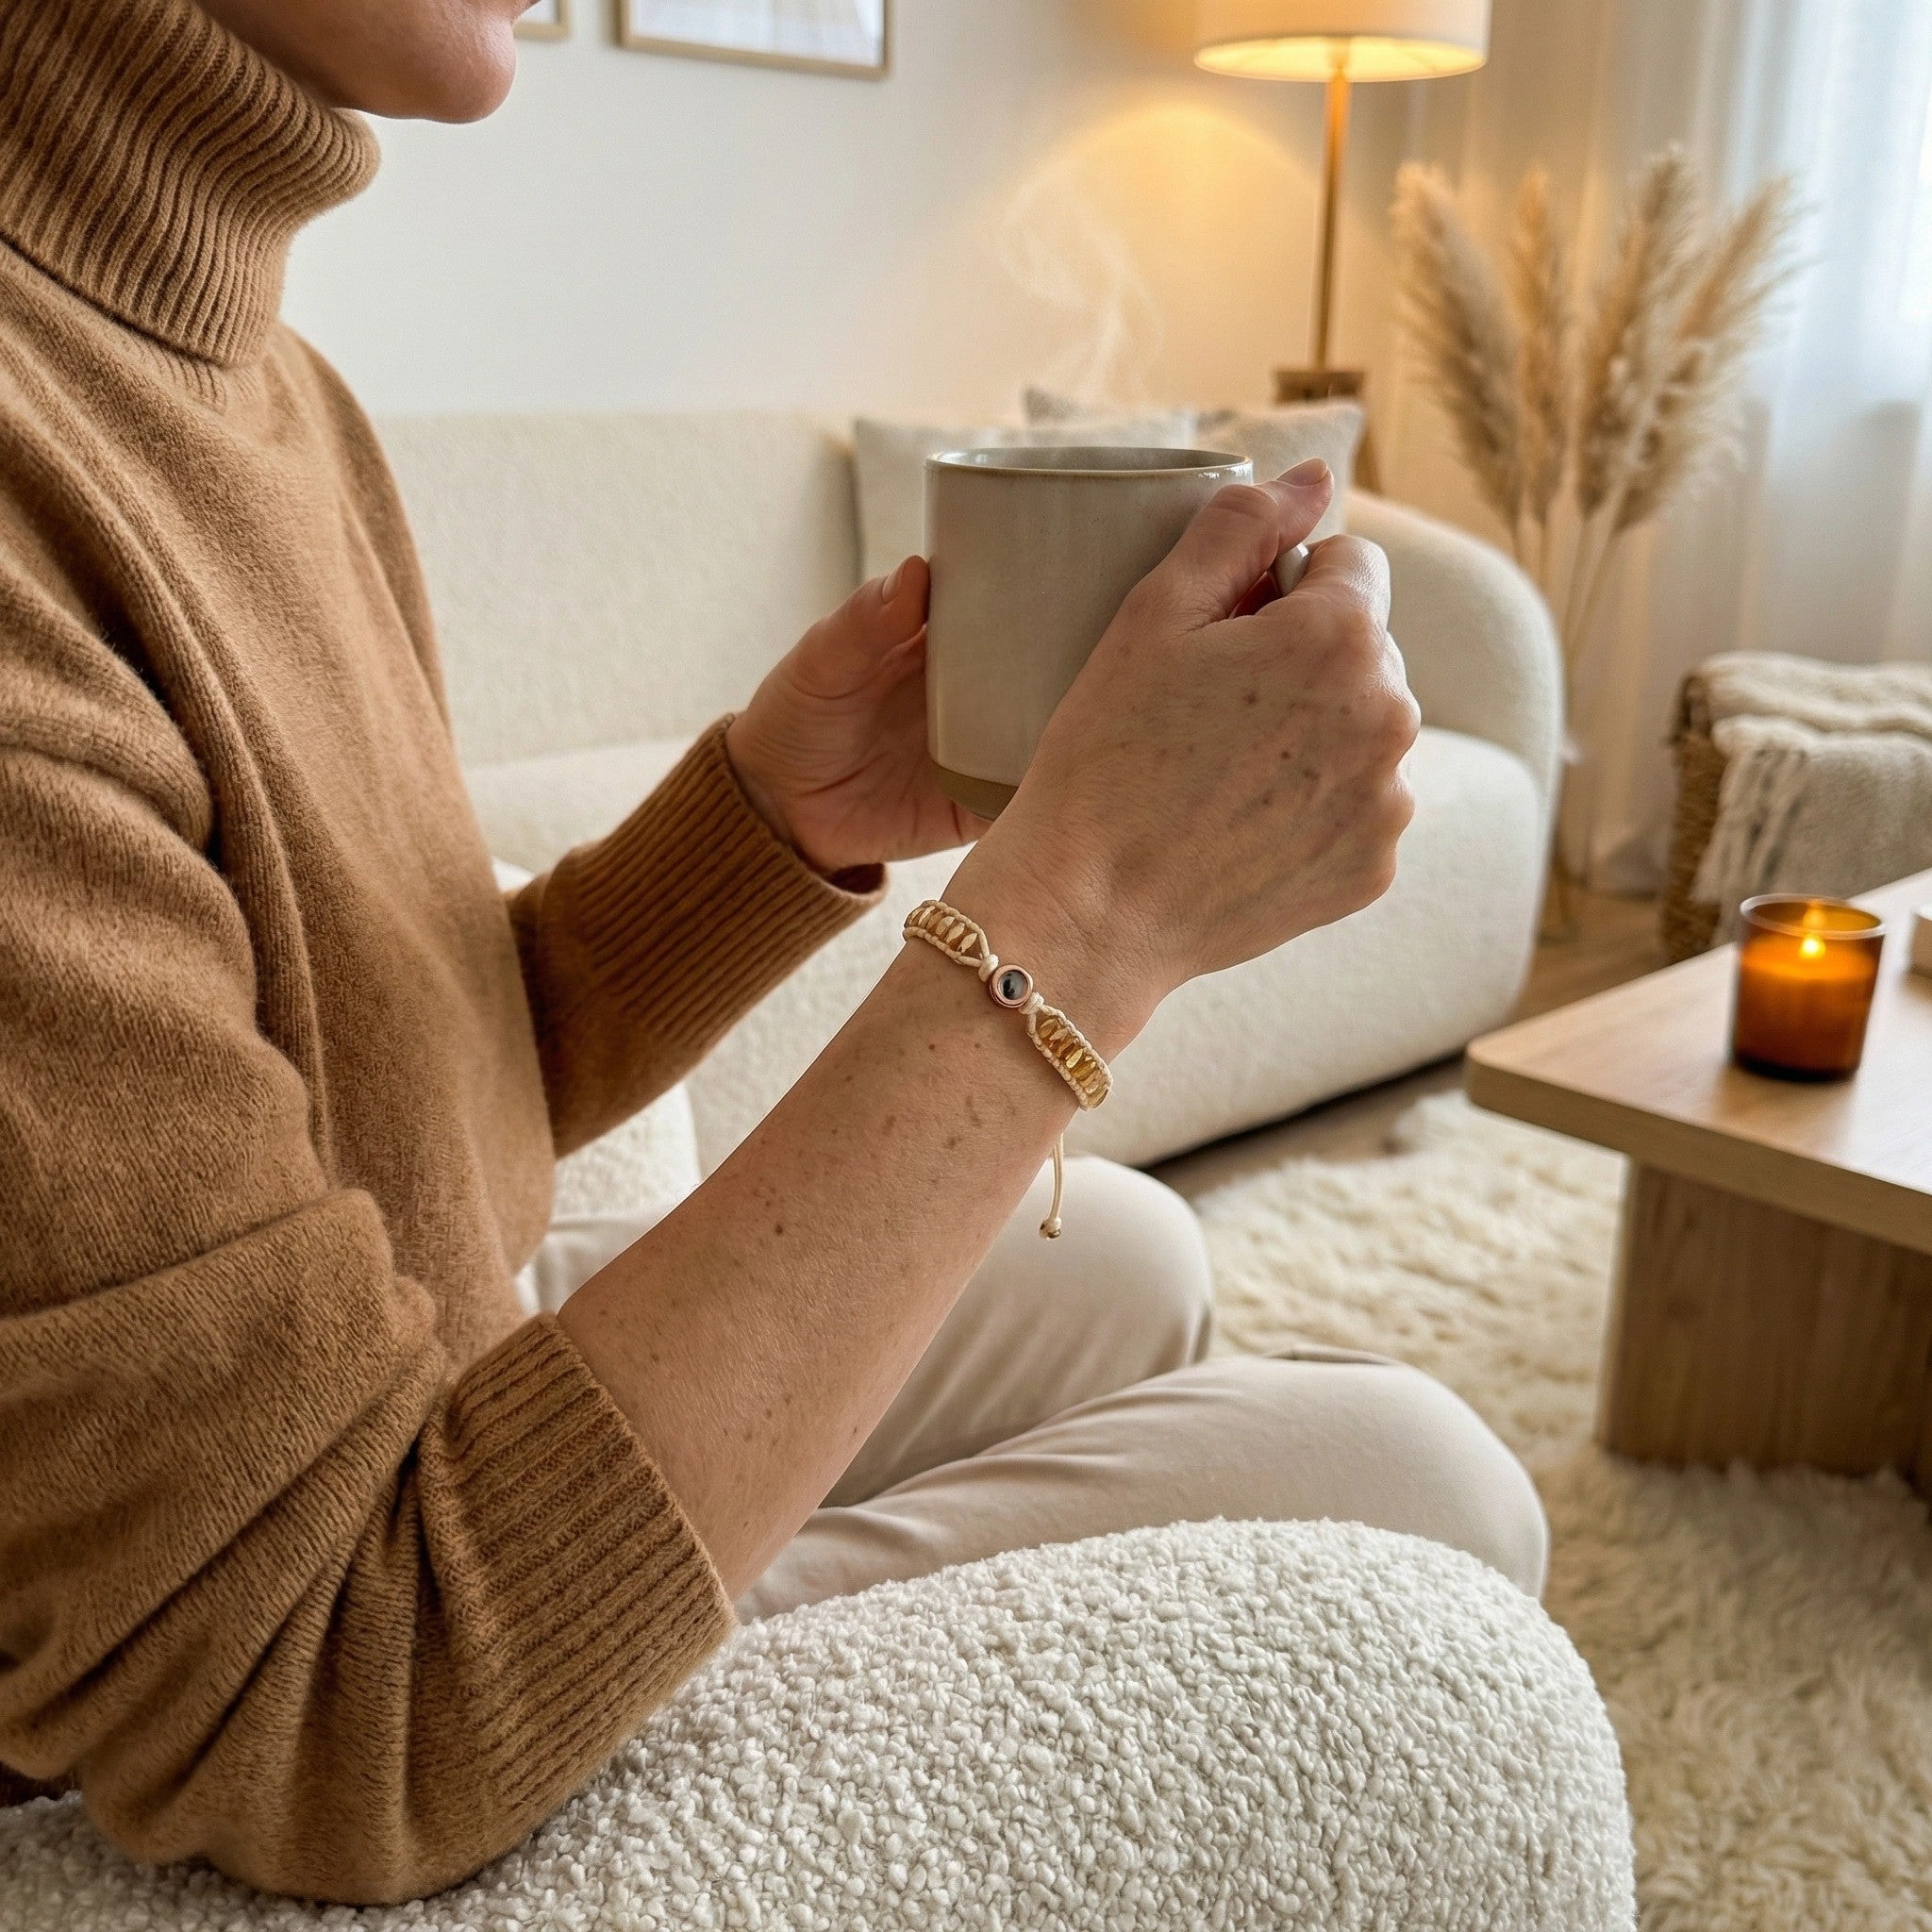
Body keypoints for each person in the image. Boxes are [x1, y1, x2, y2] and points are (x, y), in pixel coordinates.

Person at [0, 0, 1548, 1906]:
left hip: (386, 1416)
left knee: (1125, 1256)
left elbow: (385, 1093)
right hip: (314, 1684)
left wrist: (762, 822)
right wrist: (1078, 927)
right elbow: (330, 1696)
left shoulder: (266, 382)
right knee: (1426, 1485)